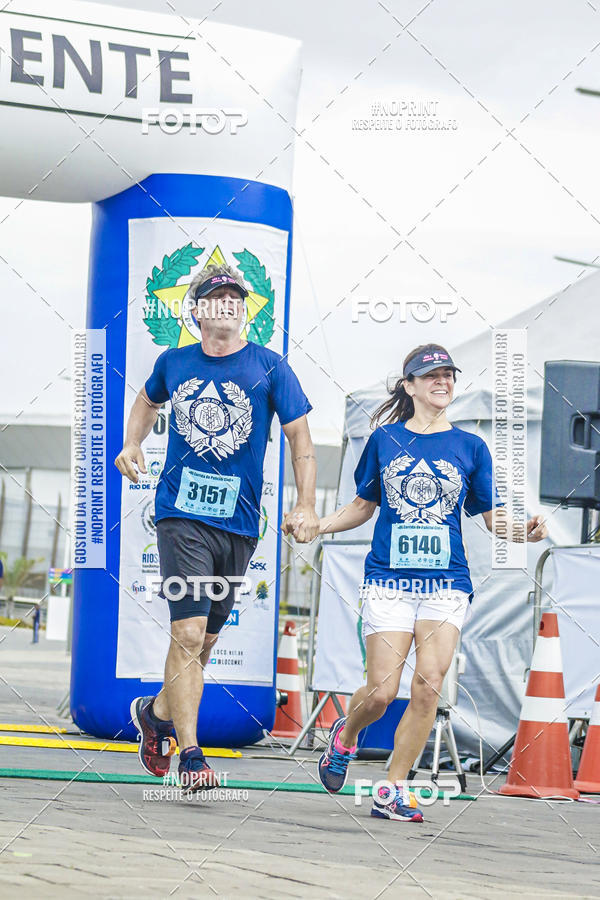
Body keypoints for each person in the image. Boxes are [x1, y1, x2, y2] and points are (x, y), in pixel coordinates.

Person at [315, 343, 547, 822]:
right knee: (381, 692)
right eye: (432, 375)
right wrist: (318, 524)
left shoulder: (469, 447)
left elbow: (490, 517)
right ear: (409, 386)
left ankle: (392, 790)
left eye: (448, 374)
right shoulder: (383, 440)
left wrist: (521, 529)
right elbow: (363, 506)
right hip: (389, 583)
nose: (443, 381)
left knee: (429, 685)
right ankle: (346, 733)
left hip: (446, 584)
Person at [115, 263, 319, 790]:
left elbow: (300, 440)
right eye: (216, 297)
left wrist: (306, 504)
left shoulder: (270, 368)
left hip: (239, 524)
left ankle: (156, 714)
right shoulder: (175, 361)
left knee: (203, 643)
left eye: (236, 297)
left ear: (245, 310)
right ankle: (191, 755)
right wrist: (133, 441)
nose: (226, 304)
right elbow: (145, 399)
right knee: (185, 633)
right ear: (197, 310)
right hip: (181, 515)